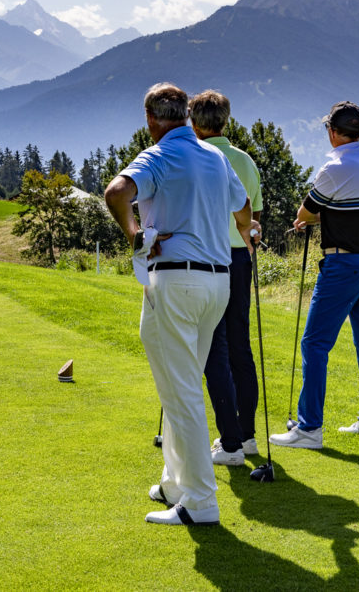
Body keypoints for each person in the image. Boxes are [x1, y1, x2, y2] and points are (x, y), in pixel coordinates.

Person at [105, 83, 260, 526]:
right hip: (217, 283)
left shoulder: (158, 155)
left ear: (152, 120)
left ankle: (200, 501)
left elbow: (117, 193)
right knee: (180, 381)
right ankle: (175, 480)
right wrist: (247, 234)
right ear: (187, 118)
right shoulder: (215, 156)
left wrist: (135, 235)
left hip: (176, 281)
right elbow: (244, 208)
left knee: (184, 389)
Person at [270, 101, 359, 449]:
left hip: (345, 265)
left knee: (315, 342)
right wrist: (326, 218)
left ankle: (309, 429)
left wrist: (310, 219)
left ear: (334, 132)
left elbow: (305, 212)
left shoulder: (334, 167)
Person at [189, 91, 264, 466]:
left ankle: (230, 440)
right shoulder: (245, 161)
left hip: (209, 259)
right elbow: (254, 218)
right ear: (226, 120)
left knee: (214, 348)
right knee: (239, 345)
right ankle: (247, 435)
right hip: (240, 258)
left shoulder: (197, 156)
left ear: (194, 123)